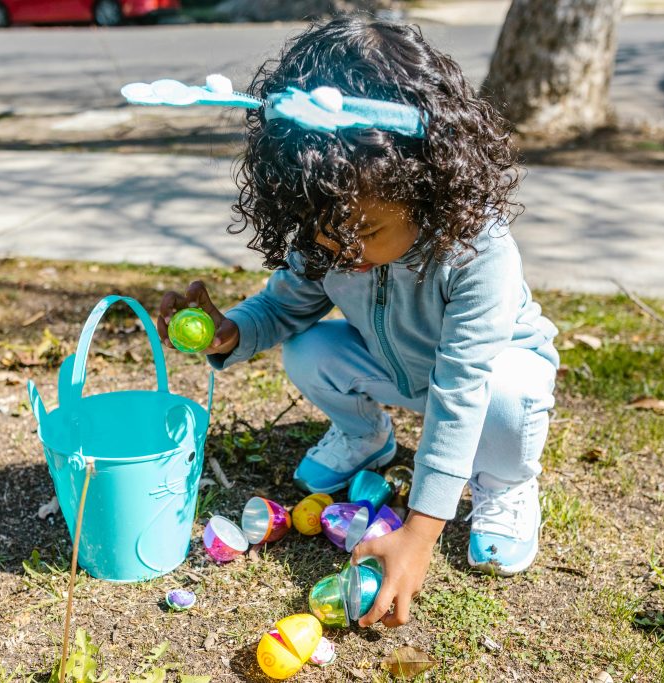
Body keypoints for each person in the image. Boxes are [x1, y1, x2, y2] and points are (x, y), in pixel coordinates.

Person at [155, 17, 559, 629]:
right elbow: (284, 306)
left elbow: (461, 388)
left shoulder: (478, 252)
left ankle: (503, 482)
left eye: (366, 232)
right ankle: (368, 437)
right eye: (323, 230)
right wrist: (230, 330)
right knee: (309, 346)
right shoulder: (334, 229)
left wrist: (420, 532)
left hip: (488, 381)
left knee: (504, 395)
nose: (343, 249)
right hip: (399, 372)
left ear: (424, 183)